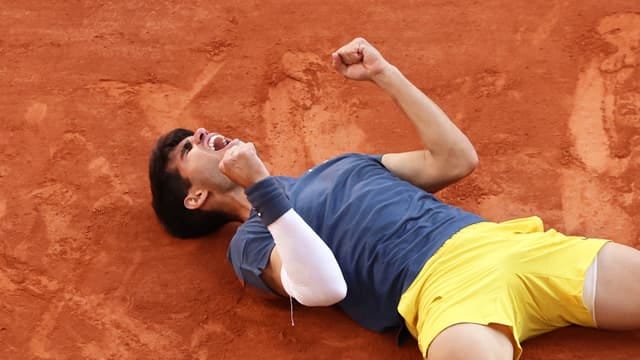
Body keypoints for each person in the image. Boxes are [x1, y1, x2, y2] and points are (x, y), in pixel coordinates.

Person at [148, 38, 640, 360]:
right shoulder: (252, 242)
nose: (203, 133)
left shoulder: (339, 166)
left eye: (196, 131)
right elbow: (323, 289)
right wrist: (261, 189)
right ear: (194, 197)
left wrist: (386, 74)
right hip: (441, 296)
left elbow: (454, 160)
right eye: (187, 148)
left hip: (504, 246)